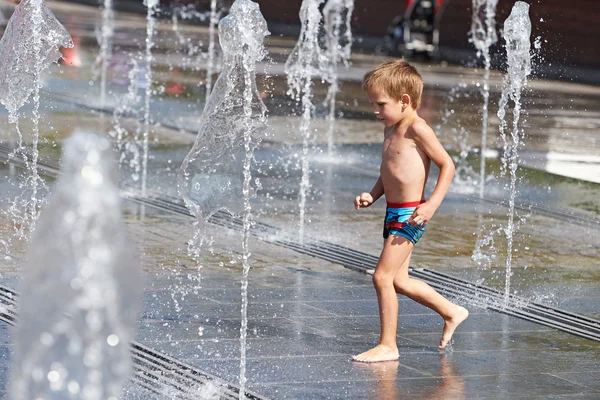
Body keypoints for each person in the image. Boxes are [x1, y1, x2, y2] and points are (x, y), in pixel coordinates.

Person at [352, 59, 469, 363]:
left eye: (380, 104)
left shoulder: (417, 128)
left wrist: (431, 205)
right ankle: (451, 311)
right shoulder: (391, 128)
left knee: (381, 277)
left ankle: (388, 345)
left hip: (411, 215)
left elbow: (448, 165)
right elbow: (388, 170)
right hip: (393, 211)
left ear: (404, 101)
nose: (375, 111)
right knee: (399, 281)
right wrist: (373, 195)